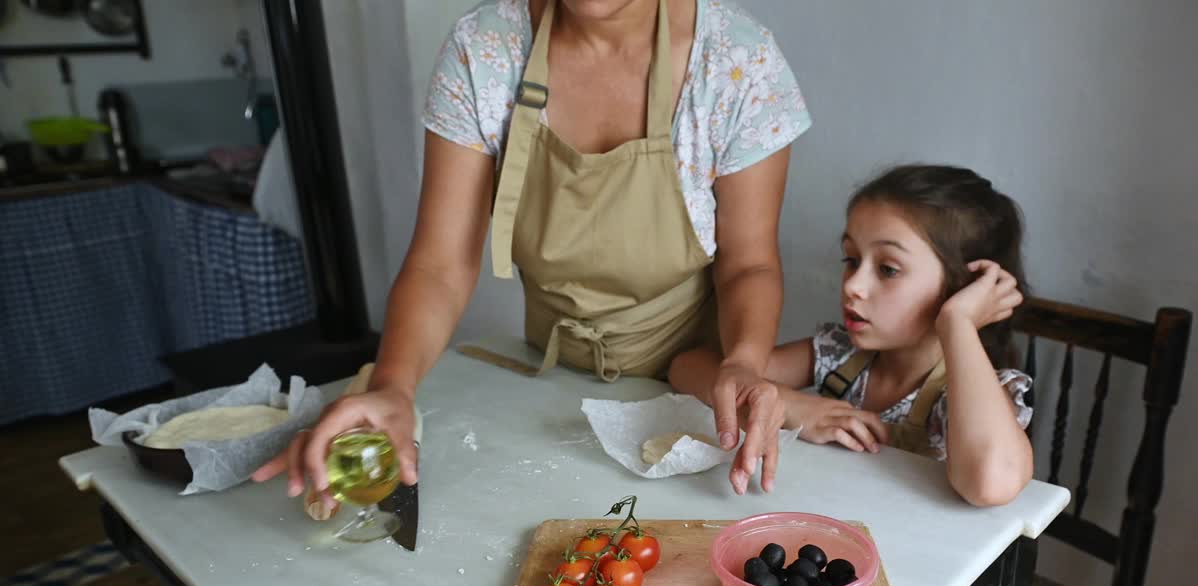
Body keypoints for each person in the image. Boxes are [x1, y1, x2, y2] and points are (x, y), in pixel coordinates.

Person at [253, 0, 812, 502]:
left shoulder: (738, 62)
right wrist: (393, 386)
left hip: (696, 395)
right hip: (549, 382)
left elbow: (750, 262)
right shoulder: (486, 49)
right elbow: (439, 264)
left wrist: (742, 360)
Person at [670, 164, 1035, 506]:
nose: (854, 286)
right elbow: (688, 367)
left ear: (963, 288)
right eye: (852, 260)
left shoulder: (971, 392)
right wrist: (794, 406)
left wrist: (958, 322)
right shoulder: (839, 354)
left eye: (888, 269)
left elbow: (991, 482)